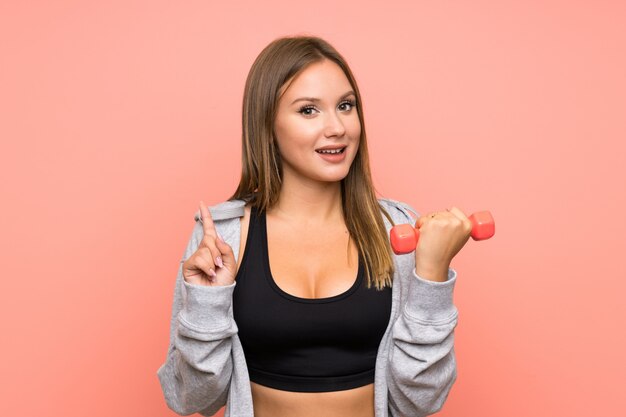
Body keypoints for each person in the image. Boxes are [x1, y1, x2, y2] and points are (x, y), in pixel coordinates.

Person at [157, 35, 472, 417]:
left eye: (345, 105)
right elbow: (192, 399)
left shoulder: (398, 232)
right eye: (309, 111)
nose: (337, 127)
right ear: (266, 124)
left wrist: (432, 280)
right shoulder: (222, 238)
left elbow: (421, 400)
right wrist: (207, 305)